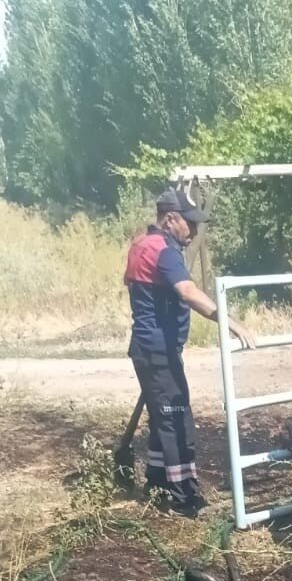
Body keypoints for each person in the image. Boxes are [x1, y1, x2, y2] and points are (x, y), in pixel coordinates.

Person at [124, 188, 256, 515]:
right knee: (176, 419)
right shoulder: (164, 251)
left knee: (162, 417)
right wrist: (231, 322)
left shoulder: (142, 244)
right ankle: (184, 499)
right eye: (189, 224)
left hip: (149, 349)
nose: (194, 231)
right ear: (170, 219)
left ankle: (157, 482)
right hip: (158, 350)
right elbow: (187, 291)